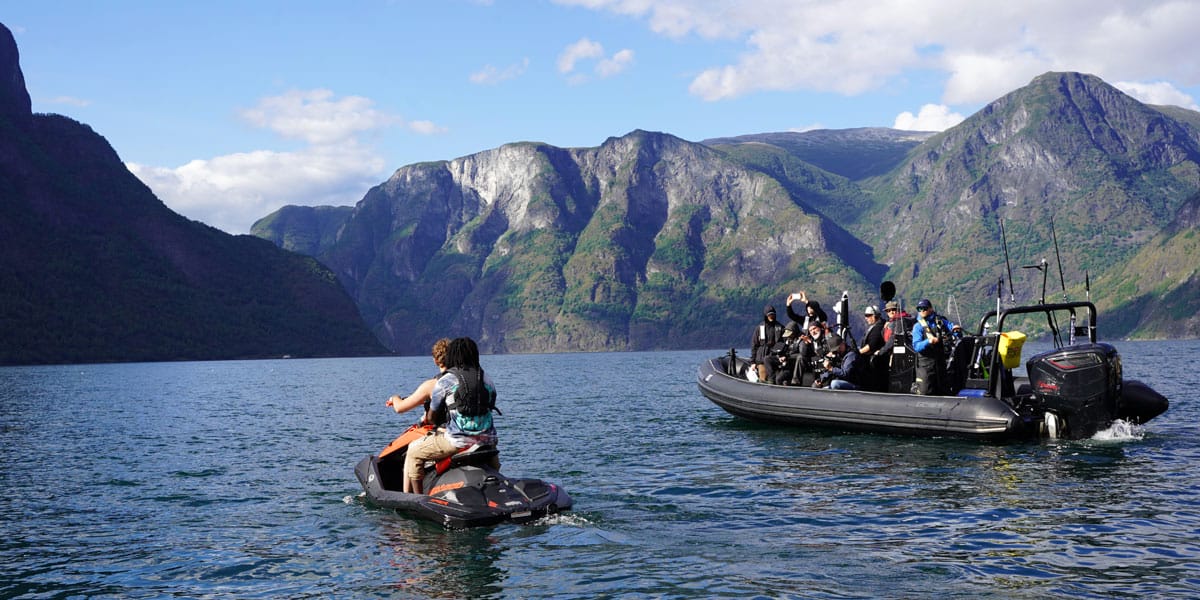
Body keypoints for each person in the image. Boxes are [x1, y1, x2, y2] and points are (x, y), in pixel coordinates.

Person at [403, 337, 499, 494]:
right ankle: (497, 479)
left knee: (413, 451)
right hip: (488, 440)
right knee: (495, 461)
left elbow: (432, 417)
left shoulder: (446, 381)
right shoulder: (487, 379)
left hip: (458, 441)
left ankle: (418, 498)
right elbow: (491, 403)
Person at [911, 298, 961, 395]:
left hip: (940, 364)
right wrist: (929, 341)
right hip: (925, 365)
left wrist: (956, 330)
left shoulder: (940, 321)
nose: (922, 311)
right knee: (926, 391)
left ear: (930, 309)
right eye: (919, 309)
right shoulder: (918, 326)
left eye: (924, 308)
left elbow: (952, 330)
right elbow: (916, 346)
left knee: (944, 390)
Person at [750, 305, 785, 382]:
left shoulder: (781, 328)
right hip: (761, 359)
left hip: (775, 358)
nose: (771, 316)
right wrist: (753, 362)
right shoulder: (759, 328)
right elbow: (754, 345)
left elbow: (784, 344)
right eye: (769, 315)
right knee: (763, 379)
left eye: (773, 314)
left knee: (777, 379)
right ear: (766, 315)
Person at [858, 306, 887, 391]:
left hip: (875, 363)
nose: (866, 318)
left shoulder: (878, 328)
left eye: (868, 315)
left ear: (874, 316)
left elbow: (871, 345)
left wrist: (859, 352)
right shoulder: (876, 326)